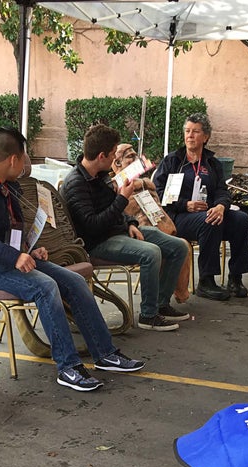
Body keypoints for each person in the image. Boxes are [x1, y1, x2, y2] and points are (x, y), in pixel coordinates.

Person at [0, 126, 144, 393]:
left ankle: (105, 354)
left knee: (75, 281)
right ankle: (68, 367)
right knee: (45, 287)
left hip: (9, 258)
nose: (25, 165)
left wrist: (28, 251)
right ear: (13, 160)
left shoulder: (6, 185)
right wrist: (14, 256)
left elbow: (12, 229)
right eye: (25, 158)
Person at [60, 124, 189, 333]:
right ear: (101, 155)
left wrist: (130, 222)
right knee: (151, 253)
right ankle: (148, 315)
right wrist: (122, 199)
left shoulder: (100, 175)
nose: (114, 160)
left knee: (178, 247)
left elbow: (114, 210)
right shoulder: (76, 184)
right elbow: (93, 226)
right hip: (97, 243)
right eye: (112, 154)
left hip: (117, 231)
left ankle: (160, 304)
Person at [153, 113, 248, 301]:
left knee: (241, 220)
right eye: (187, 131)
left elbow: (222, 190)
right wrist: (185, 204)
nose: (190, 135)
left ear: (205, 137)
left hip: (208, 213)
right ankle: (206, 281)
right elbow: (158, 192)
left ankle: (235, 278)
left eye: (195, 132)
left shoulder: (212, 163)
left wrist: (221, 206)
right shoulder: (173, 161)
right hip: (178, 217)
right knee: (210, 221)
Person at [110, 143, 192, 305]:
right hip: (135, 233)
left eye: (135, 156)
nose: (135, 160)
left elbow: (158, 211)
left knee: (182, 245)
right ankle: (158, 304)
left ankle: (167, 299)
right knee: (161, 251)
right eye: (129, 157)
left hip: (159, 229)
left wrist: (145, 185)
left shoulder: (146, 183)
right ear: (117, 163)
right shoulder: (113, 185)